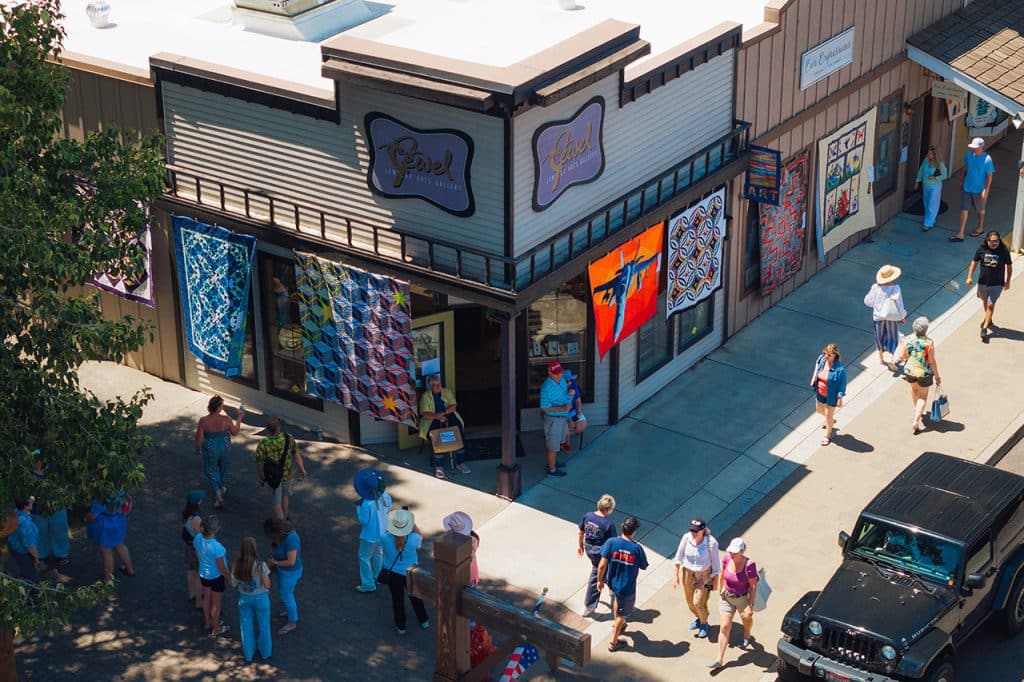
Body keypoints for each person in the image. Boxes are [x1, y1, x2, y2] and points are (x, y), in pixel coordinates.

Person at [597, 516, 649, 652]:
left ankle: (619, 625)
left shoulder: (611, 542)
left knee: (616, 602)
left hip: (612, 583)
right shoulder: (636, 548)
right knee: (621, 613)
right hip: (627, 587)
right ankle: (614, 642)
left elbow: (602, 564)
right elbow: (644, 565)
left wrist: (599, 580)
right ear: (634, 532)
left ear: (622, 526)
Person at [709, 538, 759, 670]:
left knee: (746, 620)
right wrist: (720, 589)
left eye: (735, 552)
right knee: (724, 626)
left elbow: (753, 586)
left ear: (742, 551)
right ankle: (719, 659)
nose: (732, 554)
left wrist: (750, 605)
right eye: (731, 551)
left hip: (742, 599)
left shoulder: (749, 565)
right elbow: (722, 573)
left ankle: (747, 635)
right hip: (726, 597)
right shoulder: (726, 558)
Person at [380, 509, 430, 634]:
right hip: (410, 572)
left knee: (397, 600)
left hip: (393, 574)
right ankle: (424, 620)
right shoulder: (414, 539)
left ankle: (401, 626)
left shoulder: (384, 538)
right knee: (415, 597)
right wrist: (412, 524)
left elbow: (386, 539)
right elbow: (420, 535)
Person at [672, 517, 721, 640]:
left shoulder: (711, 543)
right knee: (689, 601)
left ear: (703, 530)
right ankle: (699, 618)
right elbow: (678, 557)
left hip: (704, 576)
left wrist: (715, 581)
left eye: (696, 531)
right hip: (688, 573)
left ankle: (704, 622)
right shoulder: (686, 538)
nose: (693, 533)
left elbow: (716, 564)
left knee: (698, 602)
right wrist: (676, 575)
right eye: (692, 530)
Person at [194, 395, 245, 509]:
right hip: (224, 445)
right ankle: (221, 489)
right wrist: (240, 417)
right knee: (223, 467)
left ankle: (218, 494)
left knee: (211, 469)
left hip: (210, 446)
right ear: (218, 408)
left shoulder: (203, 421)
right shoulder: (226, 419)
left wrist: (197, 449)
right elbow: (235, 432)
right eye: (221, 406)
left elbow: (199, 438)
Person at [417, 374, 470, 479]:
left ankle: (460, 462)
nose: (437, 387)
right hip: (431, 418)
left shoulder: (447, 392)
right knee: (437, 434)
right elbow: (424, 413)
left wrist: (443, 413)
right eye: (434, 385)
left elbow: (453, 405)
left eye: (438, 384)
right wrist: (437, 416)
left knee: (458, 430)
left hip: (447, 415)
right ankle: (439, 466)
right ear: (430, 386)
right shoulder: (426, 396)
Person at [254, 416, 306, 520]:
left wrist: (261, 477)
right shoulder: (288, 438)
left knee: (276, 504)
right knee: (285, 497)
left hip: (273, 477)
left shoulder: (263, 443)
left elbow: (259, 463)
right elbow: (297, 456)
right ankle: (285, 518)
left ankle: (283, 527)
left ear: (268, 428)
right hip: (287, 475)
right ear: (279, 427)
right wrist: (302, 470)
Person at [895, 317, 942, 434]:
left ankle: (917, 409)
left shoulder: (908, 339)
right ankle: (916, 420)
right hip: (924, 373)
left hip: (909, 370)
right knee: (923, 396)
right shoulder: (929, 342)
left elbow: (903, 356)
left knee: (914, 390)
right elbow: (931, 361)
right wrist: (937, 376)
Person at [966, 231, 1012, 341]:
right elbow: (974, 262)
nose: (995, 243)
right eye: (992, 241)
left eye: (997, 241)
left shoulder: (1004, 251)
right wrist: (969, 276)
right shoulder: (981, 250)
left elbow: (1009, 267)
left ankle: (985, 328)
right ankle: (989, 319)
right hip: (982, 282)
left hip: (997, 284)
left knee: (991, 305)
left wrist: (1008, 281)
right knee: (985, 302)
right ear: (987, 241)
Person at [232, 536, 272, 662]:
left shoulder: (236, 565)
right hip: (261, 598)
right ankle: (265, 652)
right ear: (254, 549)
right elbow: (267, 584)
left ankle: (248, 653)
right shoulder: (261, 565)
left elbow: (233, 584)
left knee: (246, 626)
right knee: (264, 626)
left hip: (244, 598)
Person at [577, 494, 617, 617]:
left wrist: (580, 546)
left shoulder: (588, 516)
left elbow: (581, 532)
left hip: (589, 548)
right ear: (608, 510)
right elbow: (613, 542)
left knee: (605, 570)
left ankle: (610, 585)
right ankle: (589, 605)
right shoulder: (608, 524)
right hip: (601, 553)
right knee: (597, 574)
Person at [85, 491, 135, 584]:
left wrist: (85, 518)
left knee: (106, 551)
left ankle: (108, 579)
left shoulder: (101, 497)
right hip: (119, 521)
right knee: (119, 544)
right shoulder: (119, 489)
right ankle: (129, 569)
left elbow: (92, 516)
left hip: (106, 526)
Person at [863, 265, 906, 370]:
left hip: (878, 317)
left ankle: (881, 358)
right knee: (892, 337)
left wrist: (877, 305)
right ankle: (891, 359)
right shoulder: (896, 288)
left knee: (879, 337)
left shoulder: (875, 287)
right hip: (891, 316)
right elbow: (899, 304)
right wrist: (902, 316)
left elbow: (867, 301)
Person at [951, 137, 994, 241]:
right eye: (972, 147)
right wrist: (962, 180)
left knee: (981, 210)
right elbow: (965, 168)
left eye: (975, 147)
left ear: (981, 147)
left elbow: (989, 177)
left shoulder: (987, 159)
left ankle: (980, 227)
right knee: (964, 209)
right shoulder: (969, 155)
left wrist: (985, 190)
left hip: (980, 189)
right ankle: (960, 233)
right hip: (967, 187)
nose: (973, 149)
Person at [194, 515, 231, 637]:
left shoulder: (198, 539)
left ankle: (207, 622)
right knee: (216, 603)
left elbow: (197, 555)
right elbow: (221, 567)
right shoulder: (217, 547)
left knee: (206, 599)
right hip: (216, 577)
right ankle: (216, 628)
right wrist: (229, 578)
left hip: (204, 574)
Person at [31, 455, 70, 569]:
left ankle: (62, 554)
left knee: (59, 530)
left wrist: (61, 492)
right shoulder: (28, 475)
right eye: (35, 459)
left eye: (39, 458)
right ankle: (42, 555)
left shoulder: (54, 470)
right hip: (38, 510)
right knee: (40, 532)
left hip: (57, 507)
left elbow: (65, 485)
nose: (38, 462)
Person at [265, 517, 303, 635]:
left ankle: (292, 622)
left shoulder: (291, 539)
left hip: (290, 572)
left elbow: (291, 562)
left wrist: (275, 563)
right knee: (284, 593)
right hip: (283, 570)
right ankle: (290, 612)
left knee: (287, 596)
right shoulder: (282, 535)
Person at [355, 477, 392, 593]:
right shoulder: (386, 496)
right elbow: (389, 509)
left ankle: (368, 583)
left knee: (364, 557)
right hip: (383, 533)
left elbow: (364, 521)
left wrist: (358, 508)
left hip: (369, 535)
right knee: (378, 554)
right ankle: (377, 576)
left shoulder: (366, 503)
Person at [809, 344, 847, 446]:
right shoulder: (822, 359)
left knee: (828, 415)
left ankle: (827, 435)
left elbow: (842, 385)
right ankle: (831, 420)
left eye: (829, 355)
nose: (826, 356)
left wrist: (840, 398)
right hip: (820, 392)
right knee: (818, 410)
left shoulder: (840, 369)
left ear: (835, 355)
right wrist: (814, 377)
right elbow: (817, 364)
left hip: (832, 395)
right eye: (825, 353)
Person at [539, 360, 572, 477]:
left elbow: (564, 392)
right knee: (552, 446)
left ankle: (552, 463)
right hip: (553, 420)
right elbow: (545, 408)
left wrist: (569, 393)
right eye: (556, 373)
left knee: (558, 442)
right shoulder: (546, 387)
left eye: (560, 372)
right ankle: (551, 470)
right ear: (549, 372)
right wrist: (563, 407)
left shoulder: (562, 379)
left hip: (562, 417)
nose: (559, 375)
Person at [6, 495, 41, 582]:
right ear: (25, 506)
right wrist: (36, 558)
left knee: (25, 570)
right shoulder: (25, 523)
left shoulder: (17, 511)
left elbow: (29, 500)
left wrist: (30, 498)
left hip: (13, 546)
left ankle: (24, 579)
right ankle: (32, 593)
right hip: (22, 553)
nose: (32, 502)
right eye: (30, 501)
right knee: (31, 576)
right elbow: (30, 546)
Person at [181, 489, 205, 610]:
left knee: (191, 571)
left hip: (188, 546)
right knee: (200, 575)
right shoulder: (196, 519)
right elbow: (203, 534)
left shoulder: (186, 515)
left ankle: (192, 593)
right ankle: (199, 601)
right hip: (195, 549)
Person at [914, 145, 947, 231]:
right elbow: (921, 170)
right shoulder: (925, 160)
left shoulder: (940, 164)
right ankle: (931, 219)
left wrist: (935, 178)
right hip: (925, 185)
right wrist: (917, 181)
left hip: (935, 186)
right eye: (928, 153)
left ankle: (927, 224)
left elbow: (944, 175)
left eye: (930, 153)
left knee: (932, 204)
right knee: (927, 203)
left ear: (935, 155)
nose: (928, 154)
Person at [443, 511, 479, 587]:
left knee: (469, 591)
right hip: (466, 573)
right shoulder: (473, 538)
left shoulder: (471, 542)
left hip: (467, 575)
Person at [562, 369, 588, 451]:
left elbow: (578, 400)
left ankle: (566, 436)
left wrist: (578, 413)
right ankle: (565, 441)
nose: (569, 382)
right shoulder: (556, 389)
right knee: (568, 424)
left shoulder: (573, 384)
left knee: (583, 424)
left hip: (572, 411)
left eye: (570, 379)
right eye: (566, 380)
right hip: (560, 412)